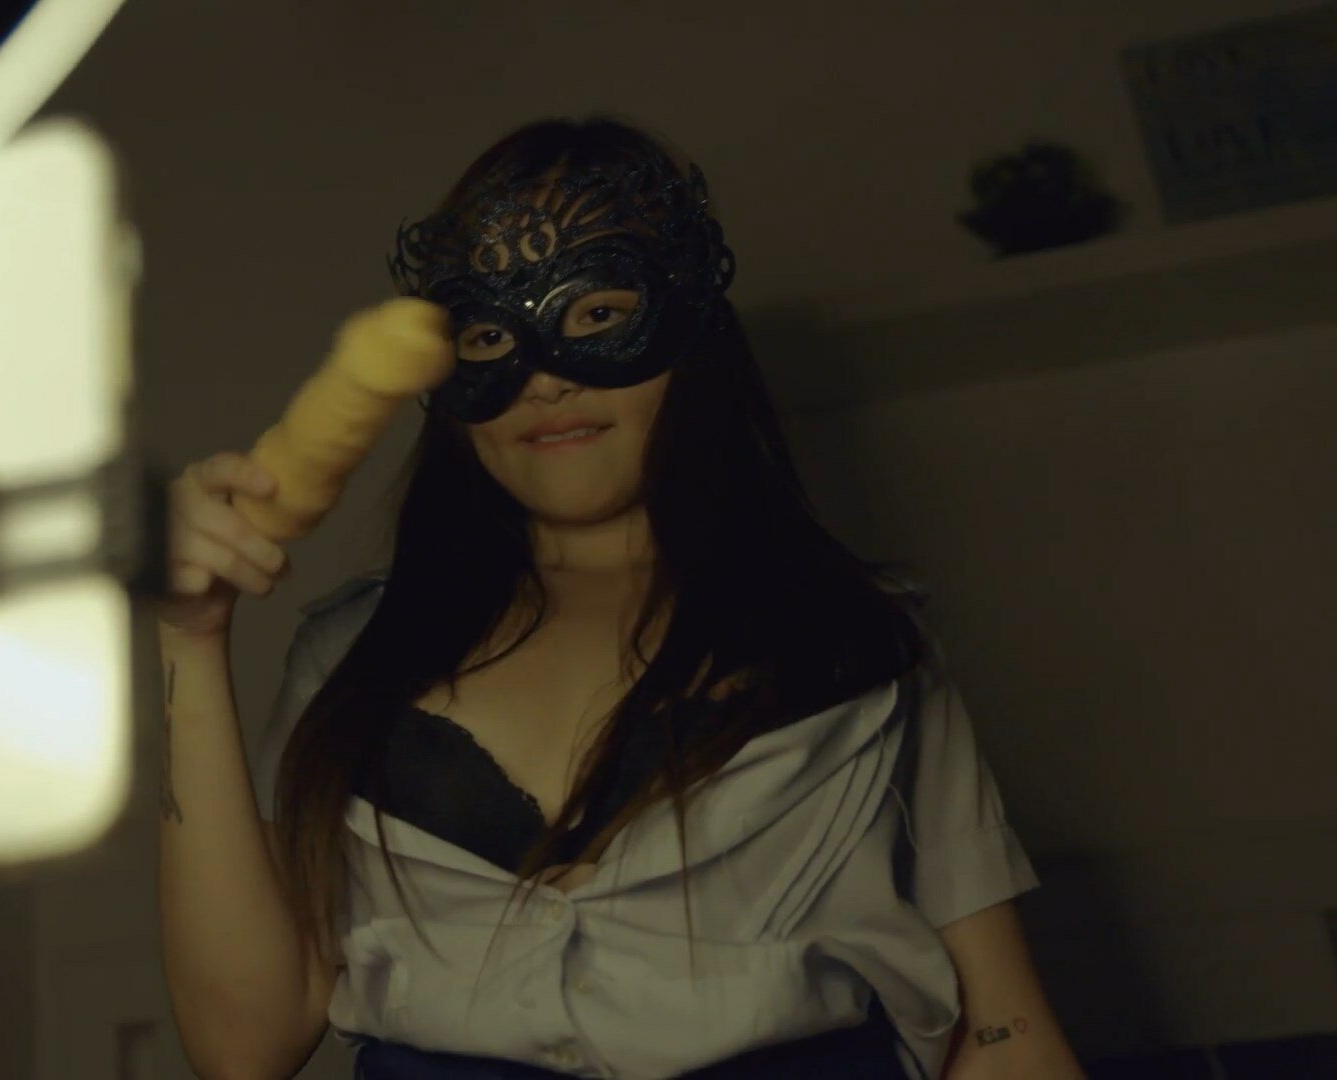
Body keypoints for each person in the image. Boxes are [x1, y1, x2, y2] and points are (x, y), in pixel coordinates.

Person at [155, 115, 1085, 1080]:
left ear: (691, 330)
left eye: (596, 313)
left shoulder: (859, 640)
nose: (545, 379)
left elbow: (1006, 1036)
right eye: (490, 333)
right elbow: (242, 1047)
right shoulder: (351, 656)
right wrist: (190, 637)